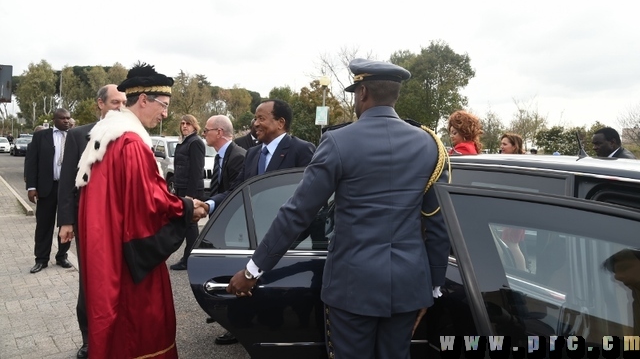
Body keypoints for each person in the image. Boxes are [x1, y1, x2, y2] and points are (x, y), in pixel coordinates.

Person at [226, 58, 451, 359]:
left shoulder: (338, 141)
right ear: (394, 95)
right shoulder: (430, 145)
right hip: (408, 286)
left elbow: (297, 213)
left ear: (363, 93)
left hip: (351, 287)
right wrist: (433, 286)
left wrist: (254, 269)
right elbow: (438, 223)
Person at [74, 62, 206, 359]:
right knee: (140, 330)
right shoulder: (131, 143)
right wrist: (187, 207)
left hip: (109, 248)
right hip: (131, 260)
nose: (166, 113)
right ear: (143, 100)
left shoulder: (107, 135)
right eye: (164, 104)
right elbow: (150, 201)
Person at [198, 99, 316, 345]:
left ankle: (279, 333)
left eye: (261, 118)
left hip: (286, 238)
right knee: (247, 282)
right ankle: (241, 329)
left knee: (275, 290)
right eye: (255, 118)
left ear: (280, 123)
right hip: (252, 234)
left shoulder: (302, 150)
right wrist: (208, 205)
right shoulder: (252, 153)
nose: (255, 123)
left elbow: (310, 198)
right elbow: (237, 190)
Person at [57, 84, 126, 359]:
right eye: (114, 103)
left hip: (120, 223)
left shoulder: (127, 135)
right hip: (89, 224)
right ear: (100, 103)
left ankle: (117, 335)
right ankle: (89, 339)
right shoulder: (77, 135)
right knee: (90, 283)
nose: (120, 108)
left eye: (123, 103)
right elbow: (66, 183)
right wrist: (66, 221)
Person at [25, 108, 73, 273]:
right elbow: (32, 163)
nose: (66, 121)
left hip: (68, 189)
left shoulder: (74, 136)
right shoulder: (40, 137)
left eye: (68, 118)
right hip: (47, 187)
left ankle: (62, 256)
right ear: (54, 119)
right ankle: (41, 259)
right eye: (62, 118)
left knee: (66, 223)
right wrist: (31, 187)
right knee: (44, 225)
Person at [169, 114, 206, 271]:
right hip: (181, 187)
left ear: (194, 126)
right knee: (186, 224)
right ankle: (190, 257)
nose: (184, 126)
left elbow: (196, 170)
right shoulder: (184, 141)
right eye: (182, 123)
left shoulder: (195, 142)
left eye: (188, 124)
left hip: (191, 190)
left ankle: (189, 259)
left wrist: (190, 195)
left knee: (190, 224)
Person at [498, 133, 527, 271]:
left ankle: (522, 272)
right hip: (514, 211)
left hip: (515, 211)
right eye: (501, 144)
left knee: (512, 244)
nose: (501, 147)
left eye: (505, 144)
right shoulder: (516, 161)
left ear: (514, 146)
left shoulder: (516, 164)